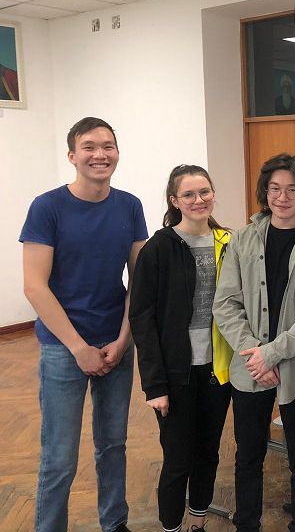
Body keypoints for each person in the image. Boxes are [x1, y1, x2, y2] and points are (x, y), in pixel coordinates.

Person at [20, 116, 147, 532]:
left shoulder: (130, 205)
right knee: (59, 457)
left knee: (113, 445)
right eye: (89, 147)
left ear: (118, 153)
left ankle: (115, 523)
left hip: (115, 342)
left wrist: (123, 340)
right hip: (63, 347)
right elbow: (35, 287)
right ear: (72, 156)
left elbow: (139, 281)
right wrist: (79, 348)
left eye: (108, 146)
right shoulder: (47, 207)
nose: (100, 154)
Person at [213, 153, 295, 532]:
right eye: (275, 188)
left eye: (292, 189)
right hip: (250, 368)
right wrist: (257, 355)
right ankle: (247, 524)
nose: (282, 197)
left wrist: (272, 354)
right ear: (265, 191)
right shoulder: (242, 238)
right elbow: (225, 303)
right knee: (248, 456)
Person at [130, 165, 233, 532]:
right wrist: (154, 386)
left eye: (204, 192)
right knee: (177, 459)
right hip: (176, 374)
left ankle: (198, 523)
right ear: (175, 201)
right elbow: (142, 319)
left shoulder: (228, 242)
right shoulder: (158, 248)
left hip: (218, 370)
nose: (198, 200)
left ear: (213, 194)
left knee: (208, 453)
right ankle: (171, 526)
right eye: (188, 194)